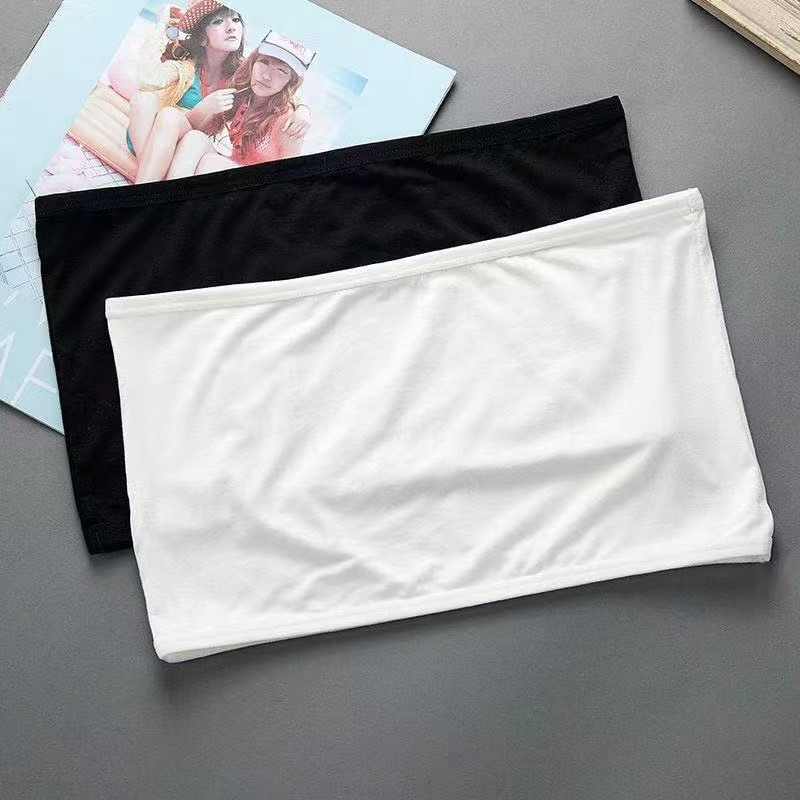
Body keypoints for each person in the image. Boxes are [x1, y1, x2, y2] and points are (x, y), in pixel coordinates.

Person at [127, 3, 311, 183]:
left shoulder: (242, 74)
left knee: (190, 134)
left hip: (187, 145)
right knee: (155, 107)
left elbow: (282, 89)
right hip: (158, 134)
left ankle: (150, 183)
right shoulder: (185, 68)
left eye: (236, 20)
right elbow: (147, 80)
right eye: (218, 21)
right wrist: (161, 26)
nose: (231, 27)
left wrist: (304, 110)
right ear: (202, 38)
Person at [168, 31, 314, 177]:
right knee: (195, 138)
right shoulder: (243, 97)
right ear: (252, 63)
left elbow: (291, 176)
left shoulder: (289, 122)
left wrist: (304, 110)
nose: (266, 76)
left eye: (282, 71)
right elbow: (191, 129)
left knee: (210, 162)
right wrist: (206, 106)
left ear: (290, 82)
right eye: (264, 62)